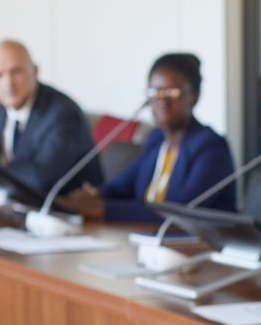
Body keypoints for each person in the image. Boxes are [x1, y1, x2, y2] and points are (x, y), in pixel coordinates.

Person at [61, 53, 235, 224]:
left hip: (193, 241)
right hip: (144, 236)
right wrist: (95, 194)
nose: (162, 101)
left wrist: (105, 209)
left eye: (171, 92)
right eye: (155, 91)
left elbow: (181, 213)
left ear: (194, 96)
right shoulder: (157, 140)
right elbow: (121, 186)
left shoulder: (211, 147)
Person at [0, 39, 100, 195]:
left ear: (34, 71)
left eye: (16, 72)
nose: (8, 83)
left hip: (63, 207)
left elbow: (42, 179)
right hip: (9, 200)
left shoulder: (63, 113)